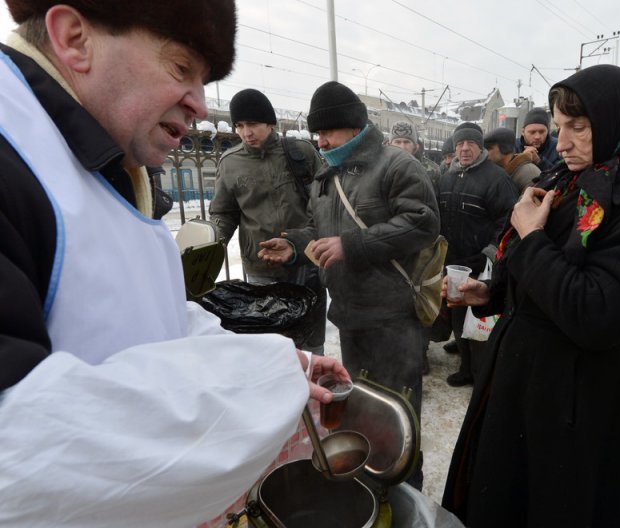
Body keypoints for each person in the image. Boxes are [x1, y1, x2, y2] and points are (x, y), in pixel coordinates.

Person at [0, 2, 349, 526]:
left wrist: (279, 360)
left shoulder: (101, 162)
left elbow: (153, 317)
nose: (202, 108)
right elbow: (19, 449)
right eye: (181, 68)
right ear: (75, 38)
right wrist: (260, 384)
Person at [441, 65, 620, 527]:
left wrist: (530, 237)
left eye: (580, 127)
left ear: (615, 122)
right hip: (518, 377)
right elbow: (543, 275)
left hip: (581, 397)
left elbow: (598, 313)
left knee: (559, 503)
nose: (564, 141)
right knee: (504, 497)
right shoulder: (565, 180)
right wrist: (490, 293)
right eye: (559, 127)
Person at [258, 81, 440, 489]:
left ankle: (408, 489)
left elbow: (424, 223)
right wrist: (293, 244)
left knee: (400, 410)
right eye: (316, 133)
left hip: (393, 317)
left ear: (354, 127)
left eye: (327, 132)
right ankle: (375, 480)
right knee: (363, 407)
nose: (319, 141)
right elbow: (316, 228)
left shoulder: (396, 165)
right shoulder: (326, 175)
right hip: (350, 315)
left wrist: (352, 244)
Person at [209, 88, 327, 353]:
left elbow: (324, 203)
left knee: (311, 341)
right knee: (272, 344)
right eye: (239, 125)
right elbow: (224, 214)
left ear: (270, 123)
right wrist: (211, 246)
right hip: (261, 269)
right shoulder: (230, 163)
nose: (245, 132)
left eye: (252, 124)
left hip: (306, 263)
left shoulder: (301, 153)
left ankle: (316, 384)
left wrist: (306, 242)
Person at [438, 122, 518, 387]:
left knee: (480, 316)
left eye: (471, 143)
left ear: (480, 146)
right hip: (453, 260)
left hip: (480, 262)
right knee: (458, 313)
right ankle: (466, 361)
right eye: (460, 143)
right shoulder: (447, 176)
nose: (464, 148)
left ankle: (479, 371)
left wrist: (490, 253)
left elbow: (508, 221)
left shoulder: (496, 178)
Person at [483, 126, 541, 193]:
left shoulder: (529, 173)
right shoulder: (500, 170)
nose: (485, 153)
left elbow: (532, 202)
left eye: (488, 148)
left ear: (504, 148)